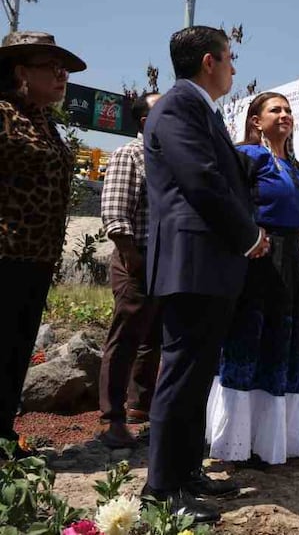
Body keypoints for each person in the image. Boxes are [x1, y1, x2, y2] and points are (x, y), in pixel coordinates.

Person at [141, 26, 270, 523]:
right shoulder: (176, 107)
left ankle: (185, 472)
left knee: (196, 378)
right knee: (180, 378)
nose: (235, 69)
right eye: (231, 58)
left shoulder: (198, 109)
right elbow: (202, 180)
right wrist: (248, 235)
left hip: (208, 265)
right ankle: (160, 491)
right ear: (210, 62)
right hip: (194, 262)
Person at [206, 92, 299, 466]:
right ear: (256, 121)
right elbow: (225, 203)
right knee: (250, 340)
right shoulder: (249, 157)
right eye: (275, 109)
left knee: (287, 341)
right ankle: (237, 439)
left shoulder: (295, 166)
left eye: (289, 110)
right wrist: (247, 240)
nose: (285, 115)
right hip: (257, 259)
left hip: (291, 261)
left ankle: (280, 436)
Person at [0, 31, 85, 457]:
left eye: (64, 68)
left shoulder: (44, 121)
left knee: (15, 349)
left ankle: (2, 439)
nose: (61, 75)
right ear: (20, 72)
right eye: (50, 67)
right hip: (4, 254)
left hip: (34, 257)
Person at [98, 92, 163, 449]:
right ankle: (112, 420)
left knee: (153, 336)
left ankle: (140, 405)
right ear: (144, 121)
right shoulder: (131, 154)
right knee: (125, 337)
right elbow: (114, 211)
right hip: (136, 257)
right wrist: (130, 254)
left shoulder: (167, 157)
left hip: (165, 260)